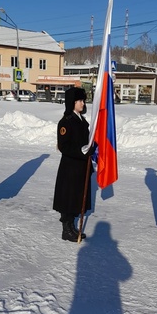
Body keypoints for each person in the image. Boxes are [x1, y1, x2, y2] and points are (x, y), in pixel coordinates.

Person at [53, 87, 94, 242]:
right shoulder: (66, 122)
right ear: (72, 102)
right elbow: (64, 146)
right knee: (68, 198)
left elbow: (87, 142)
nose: (82, 103)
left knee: (76, 197)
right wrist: (82, 151)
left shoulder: (82, 121)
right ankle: (66, 229)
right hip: (70, 167)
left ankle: (72, 226)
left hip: (81, 167)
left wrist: (92, 147)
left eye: (83, 100)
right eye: (79, 101)